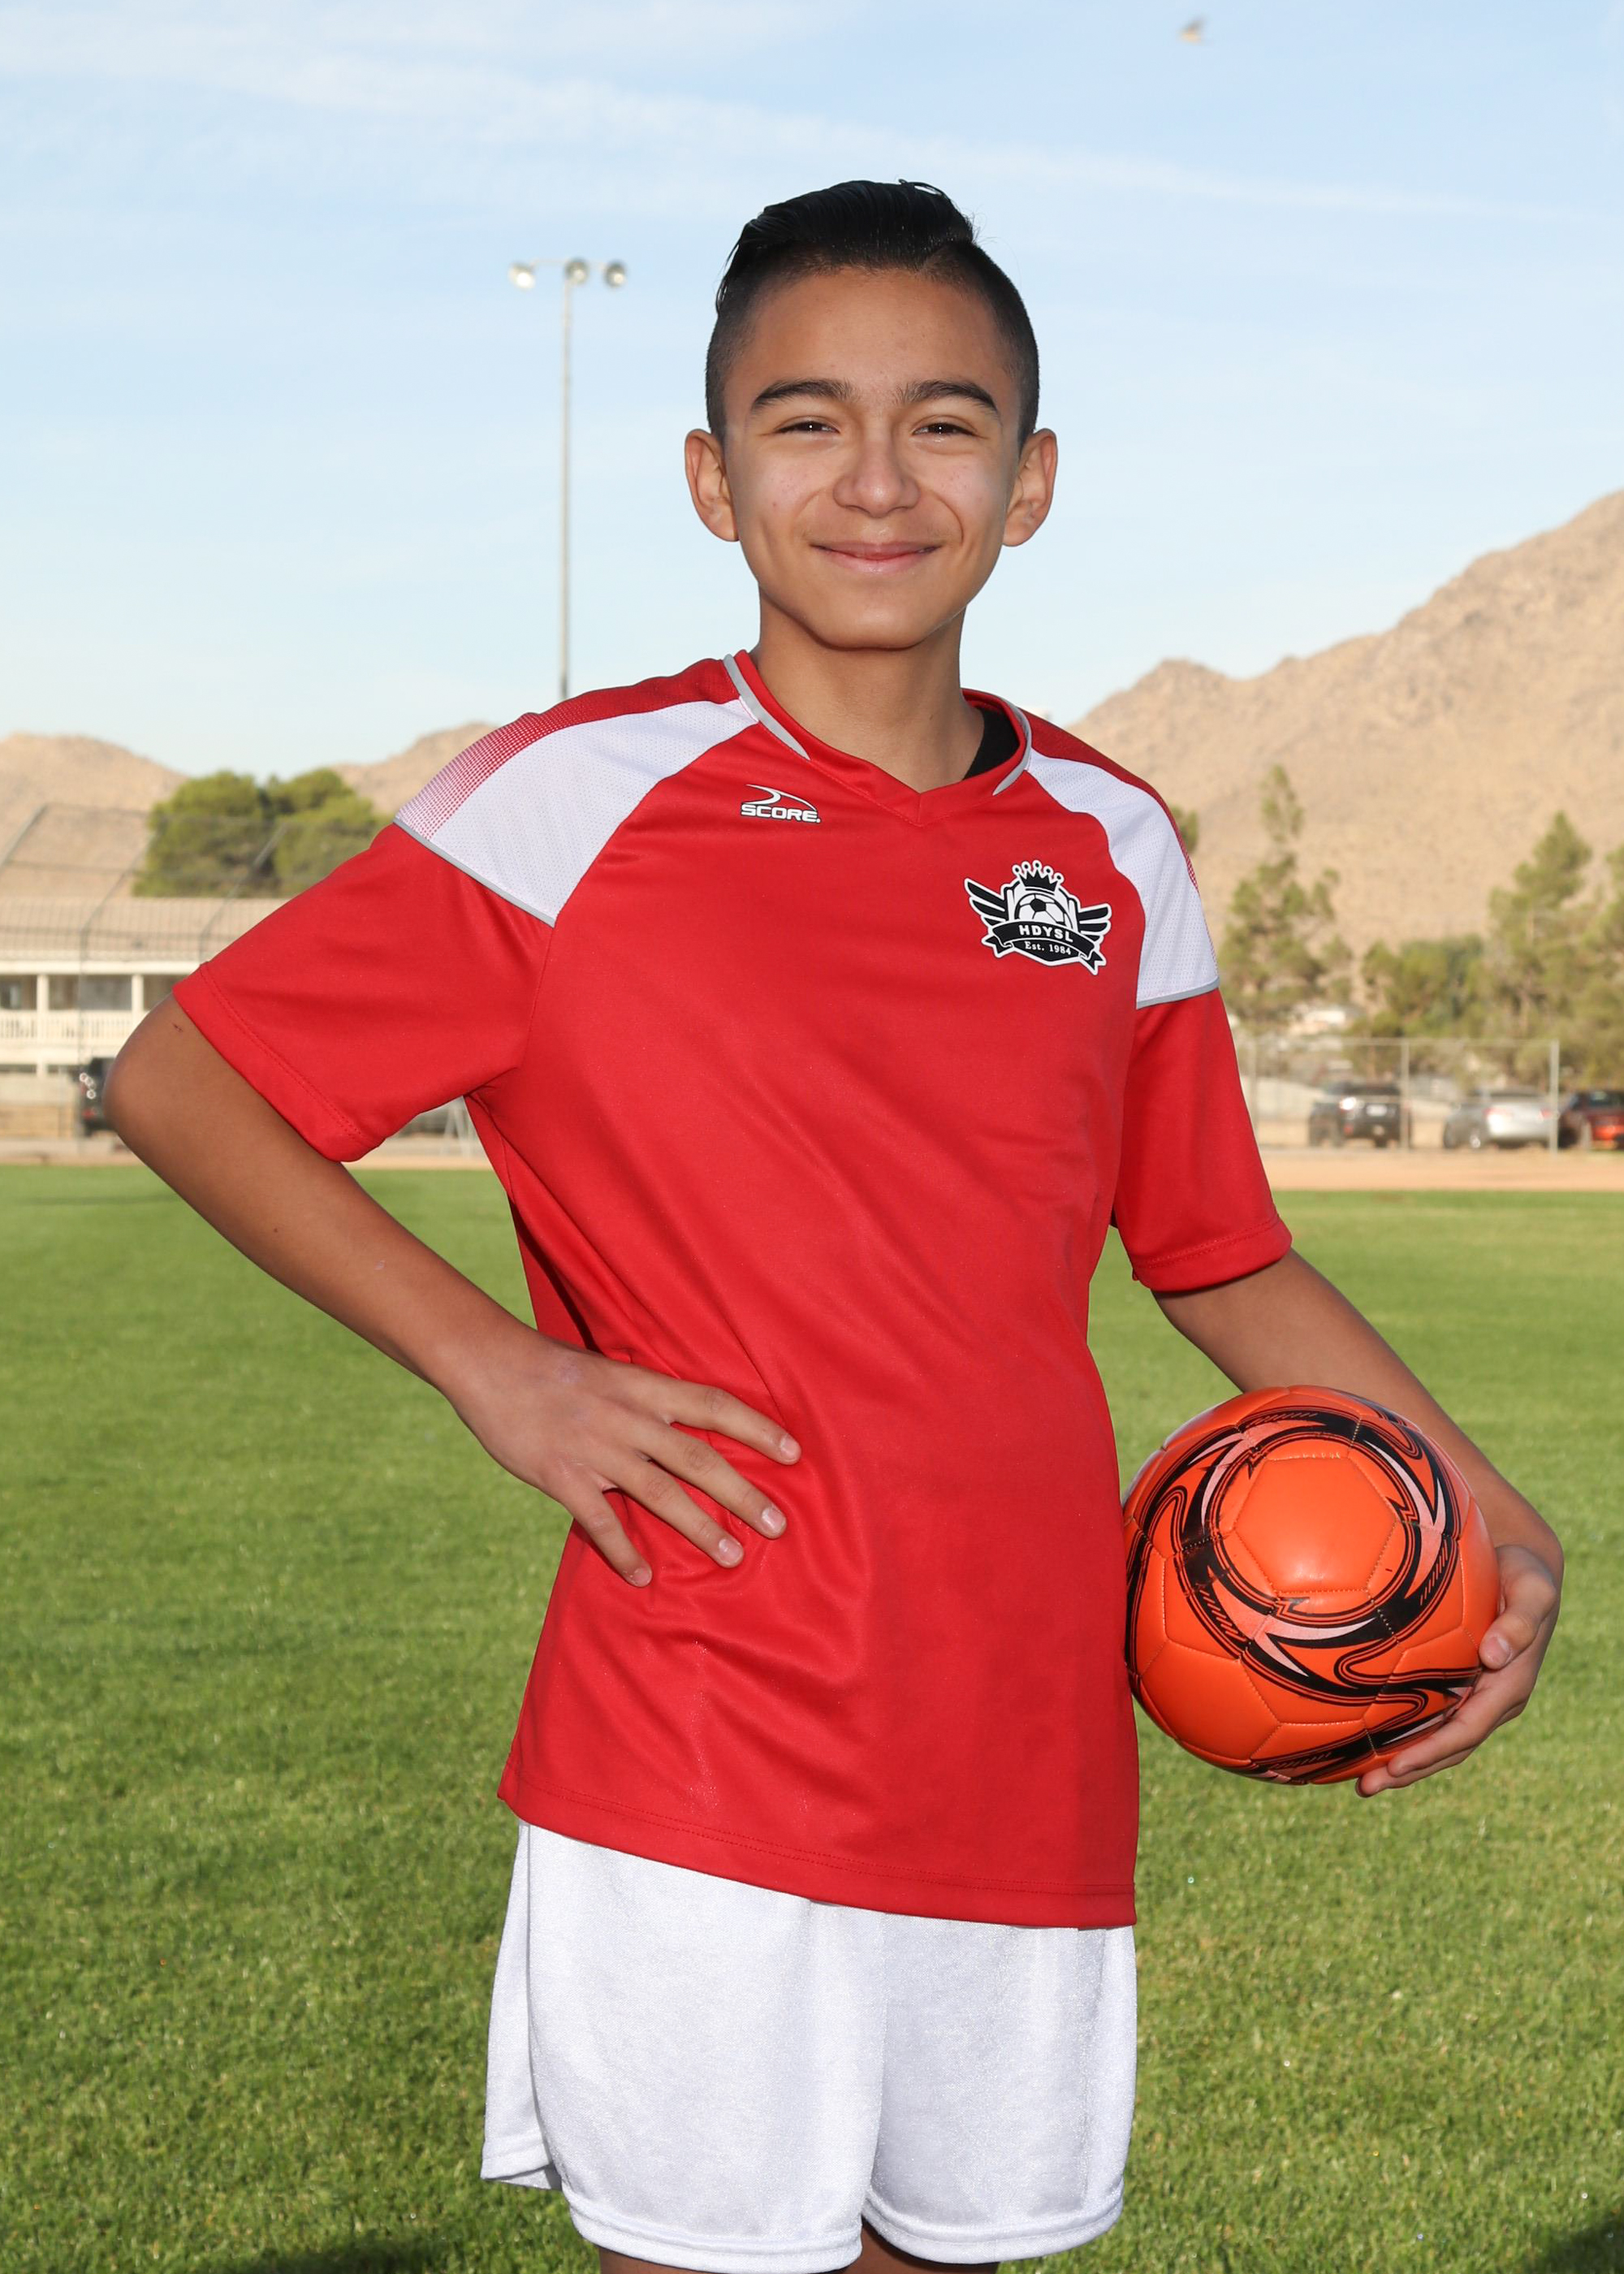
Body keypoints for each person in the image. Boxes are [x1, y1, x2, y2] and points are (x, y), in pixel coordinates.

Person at [107, 180, 1563, 2274]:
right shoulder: (582, 796)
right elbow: (187, 1077)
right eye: (805, 421)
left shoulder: (1112, 843)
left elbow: (1217, 1251)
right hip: (706, 1706)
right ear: (714, 480)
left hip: (1028, 1730)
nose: (878, 478)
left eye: (945, 422)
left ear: (1030, 481)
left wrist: (1492, 1517)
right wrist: (503, 1374)